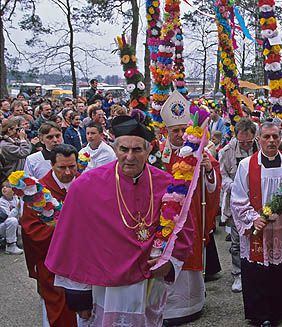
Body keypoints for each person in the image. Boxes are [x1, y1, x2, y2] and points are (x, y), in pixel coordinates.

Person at [45, 116, 195, 326]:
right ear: (115, 149)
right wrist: (79, 297)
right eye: (124, 149)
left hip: (148, 284)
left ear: (149, 149)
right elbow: (73, 242)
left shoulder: (167, 185)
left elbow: (184, 228)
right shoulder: (86, 186)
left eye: (137, 150)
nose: (130, 157)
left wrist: (169, 263)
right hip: (103, 288)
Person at [231, 122, 282, 326]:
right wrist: (254, 218)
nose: (271, 141)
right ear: (259, 139)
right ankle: (261, 314)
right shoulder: (247, 165)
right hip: (258, 229)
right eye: (267, 137)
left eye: (275, 137)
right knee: (259, 271)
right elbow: (237, 198)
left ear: (280, 139)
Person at [160, 94, 221, 325]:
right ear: (166, 131)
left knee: (188, 254)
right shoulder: (157, 154)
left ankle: (191, 303)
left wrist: (207, 170)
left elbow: (213, 184)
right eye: (173, 130)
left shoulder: (198, 152)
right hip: (162, 219)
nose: (177, 134)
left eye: (181, 129)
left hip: (190, 216)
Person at [21, 144, 79, 326]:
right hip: (54, 263)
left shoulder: (85, 183)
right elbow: (31, 231)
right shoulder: (38, 193)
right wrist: (65, 229)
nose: (68, 173)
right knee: (59, 311)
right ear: (52, 165)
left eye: (72, 166)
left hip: (83, 262)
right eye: (62, 167)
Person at [218, 118, 258, 293]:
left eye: (249, 141)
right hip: (236, 201)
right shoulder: (226, 152)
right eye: (242, 142)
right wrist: (236, 186)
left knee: (257, 238)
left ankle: (256, 271)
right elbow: (222, 175)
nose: (246, 144)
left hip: (258, 199)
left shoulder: (259, 146)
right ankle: (238, 274)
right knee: (236, 240)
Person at [0, 118, 32, 183]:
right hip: (12, 177)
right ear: (9, 130)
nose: (18, 131)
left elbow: (29, 149)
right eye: (16, 129)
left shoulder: (14, 140)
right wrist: (22, 139)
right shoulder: (5, 145)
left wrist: (24, 138)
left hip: (20, 175)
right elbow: (24, 152)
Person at [0, 181, 23, 254]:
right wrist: (17, 208)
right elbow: (8, 216)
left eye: (8, 186)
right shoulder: (1, 201)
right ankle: (10, 246)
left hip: (14, 226)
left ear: (14, 191)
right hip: (3, 225)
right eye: (3, 187)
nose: (4, 188)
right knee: (12, 220)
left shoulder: (16, 199)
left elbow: (21, 214)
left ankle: (8, 241)